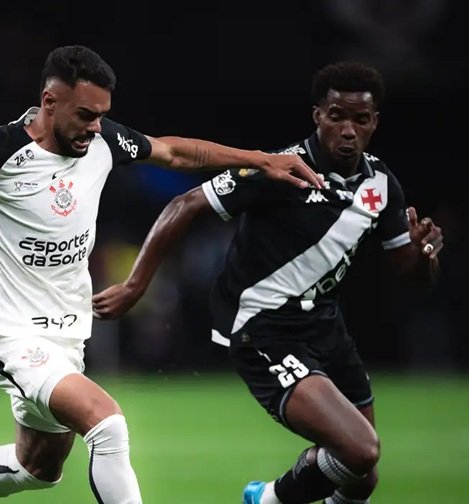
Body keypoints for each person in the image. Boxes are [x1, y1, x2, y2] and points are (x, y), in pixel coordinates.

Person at [0, 45, 320, 504]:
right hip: (10, 331)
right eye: (84, 115)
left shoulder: (101, 141)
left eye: (101, 115)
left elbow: (174, 153)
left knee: (38, 467)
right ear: (49, 101)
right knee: (107, 422)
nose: (95, 127)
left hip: (67, 333)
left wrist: (261, 159)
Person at [92, 61, 444, 504]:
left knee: (362, 476)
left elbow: (412, 276)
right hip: (263, 327)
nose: (348, 130)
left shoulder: (381, 185)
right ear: (318, 116)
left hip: (326, 327)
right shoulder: (281, 169)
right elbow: (185, 204)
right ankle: (268, 499)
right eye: (337, 116)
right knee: (359, 450)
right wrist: (135, 285)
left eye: (360, 119)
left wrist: (425, 256)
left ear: (375, 122)